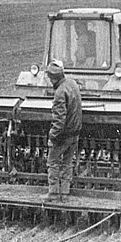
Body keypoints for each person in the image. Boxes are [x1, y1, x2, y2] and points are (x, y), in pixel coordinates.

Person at [44, 59, 83, 200]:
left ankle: (53, 193)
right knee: (67, 163)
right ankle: (65, 192)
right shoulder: (72, 83)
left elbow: (59, 119)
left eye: (49, 78)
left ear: (53, 78)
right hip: (75, 133)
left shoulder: (60, 92)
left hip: (64, 135)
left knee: (52, 162)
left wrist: (52, 136)